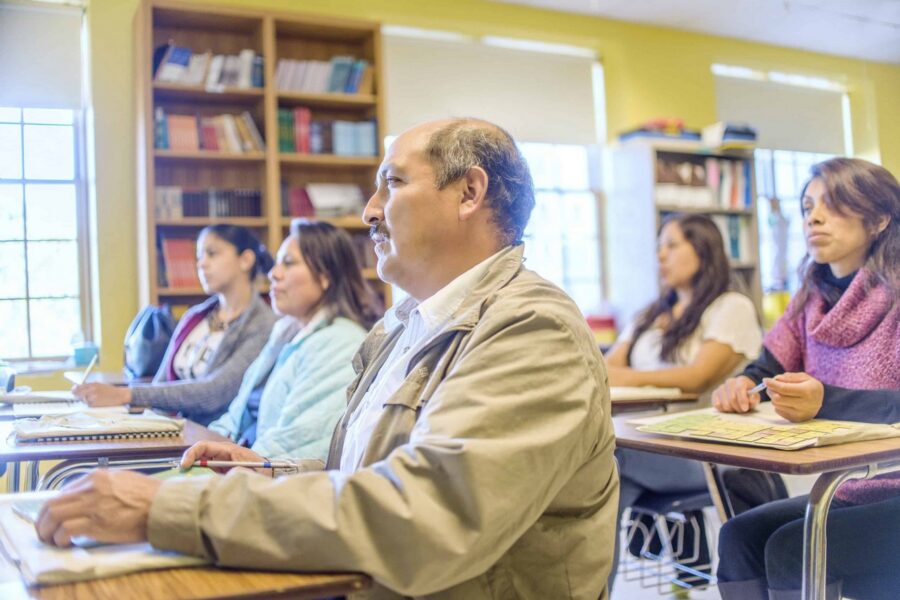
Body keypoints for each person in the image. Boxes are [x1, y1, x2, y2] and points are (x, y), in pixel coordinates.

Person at [36, 118, 619, 600]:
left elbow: (426, 514)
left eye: (391, 184)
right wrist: (269, 473)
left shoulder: (533, 327)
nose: (369, 211)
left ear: (470, 192)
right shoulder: (407, 323)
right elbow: (371, 472)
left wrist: (173, 506)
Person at [712, 157, 900, 600]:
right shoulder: (810, 299)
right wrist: (742, 384)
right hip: (852, 487)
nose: (812, 217)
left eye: (832, 205)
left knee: (790, 547)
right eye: (807, 205)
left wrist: (825, 401)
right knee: (737, 536)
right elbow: (765, 367)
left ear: (877, 219)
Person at [604, 214, 762, 589]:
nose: (661, 255)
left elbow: (696, 378)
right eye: (659, 246)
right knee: (604, 477)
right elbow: (607, 367)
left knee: (608, 458)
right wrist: (623, 375)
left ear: (703, 249)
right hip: (647, 445)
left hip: (706, 453)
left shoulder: (730, 307)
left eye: (672, 245)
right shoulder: (651, 313)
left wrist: (628, 378)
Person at [207, 220, 380, 459]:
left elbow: (299, 443)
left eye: (288, 263)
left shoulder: (341, 343)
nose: (273, 273)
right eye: (277, 263)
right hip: (247, 465)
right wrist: (208, 447)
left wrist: (229, 464)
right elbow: (235, 416)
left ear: (325, 276)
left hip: (270, 478)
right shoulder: (286, 333)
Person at [72, 225, 276, 425]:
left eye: (212, 254)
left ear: (246, 260)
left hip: (215, 440)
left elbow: (214, 393)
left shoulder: (264, 325)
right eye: (199, 256)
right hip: (173, 430)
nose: (201, 264)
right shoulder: (194, 317)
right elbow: (161, 384)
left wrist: (124, 395)